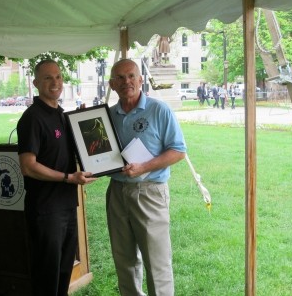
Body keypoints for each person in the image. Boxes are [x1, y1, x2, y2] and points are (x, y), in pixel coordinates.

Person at [17, 59, 97, 296]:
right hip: (45, 210)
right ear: (35, 83)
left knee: (63, 272)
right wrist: (67, 177)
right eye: (48, 78)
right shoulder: (32, 118)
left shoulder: (62, 115)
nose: (55, 82)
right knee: (47, 275)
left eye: (59, 77)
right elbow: (28, 166)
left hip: (67, 205)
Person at [107, 59, 187, 296]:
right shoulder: (107, 116)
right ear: (112, 84)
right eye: (119, 78)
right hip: (117, 192)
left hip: (150, 191)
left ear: (141, 79)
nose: (126, 82)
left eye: (131, 76)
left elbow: (179, 150)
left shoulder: (159, 110)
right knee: (124, 261)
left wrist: (144, 167)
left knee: (157, 263)